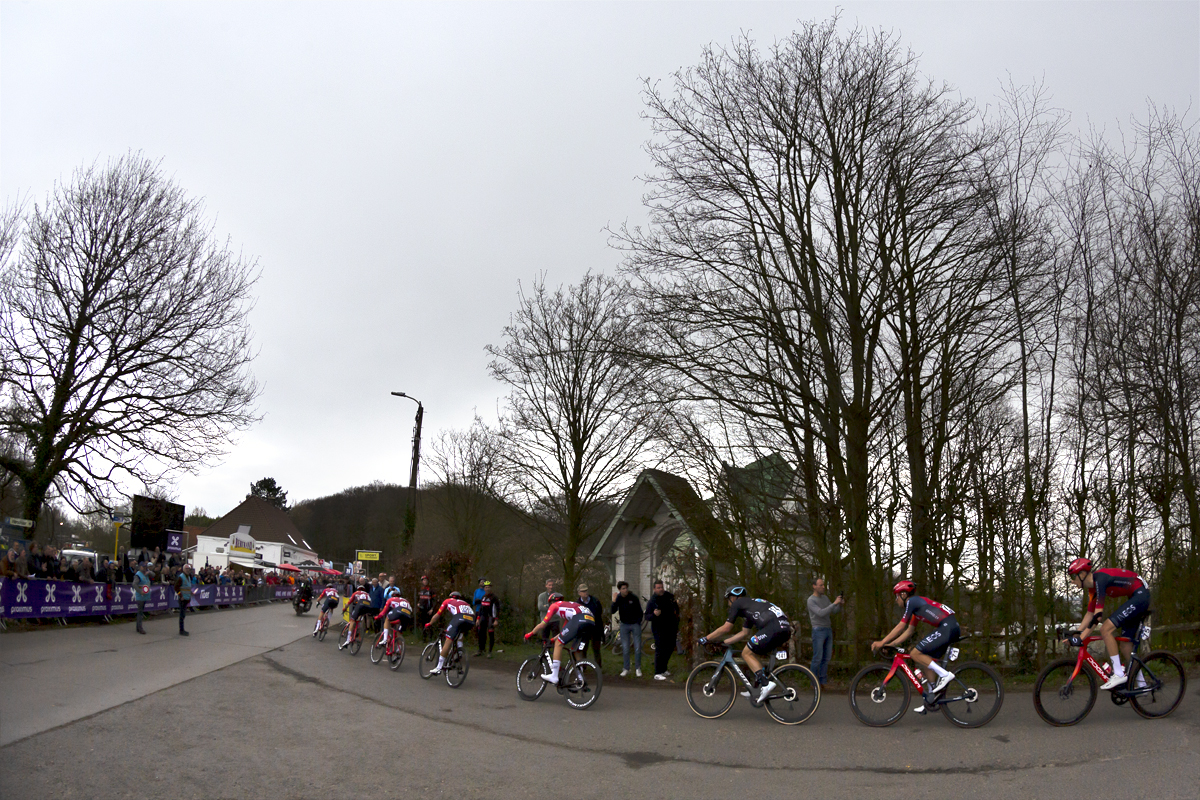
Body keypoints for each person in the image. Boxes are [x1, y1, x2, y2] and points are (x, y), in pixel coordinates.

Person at [1061, 558, 1151, 691]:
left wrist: (1081, 638)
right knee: (1125, 645)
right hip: (1135, 597)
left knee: (1105, 629)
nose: (1072, 581)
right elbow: (1090, 614)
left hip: (1140, 595)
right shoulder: (1092, 589)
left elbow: (1097, 616)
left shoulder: (1100, 580)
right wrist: (1076, 632)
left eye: (1074, 576)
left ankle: (1119, 674)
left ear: (1082, 574)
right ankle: (1142, 685)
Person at [872, 580, 960, 711]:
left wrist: (882, 642)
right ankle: (932, 697)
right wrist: (891, 644)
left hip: (947, 627)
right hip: (950, 627)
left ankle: (944, 675)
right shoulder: (916, 609)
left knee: (914, 653)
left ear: (903, 594)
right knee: (925, 658)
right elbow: (908, 631)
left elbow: (901, 626)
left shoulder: (912, 602)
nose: (896, 600)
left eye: (896, 596)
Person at [699, 587, 793, 704]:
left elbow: (727, 627)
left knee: (746, 653)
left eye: (728, 600)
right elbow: (744, 632)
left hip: (773, 627)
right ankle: (757, 689)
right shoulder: (751, 608)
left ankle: (765, 684)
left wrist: (706, 638)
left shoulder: (738, 603)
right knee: (752, 653)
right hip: (784, 629)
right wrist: (725, 642)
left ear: (733, 597)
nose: (729, 604)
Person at [523, 591, 597, 685]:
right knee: (576, 651)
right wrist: (552, 640)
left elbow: (543, 624)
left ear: (551, 602)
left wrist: (529, 634)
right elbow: (564, 632)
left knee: (559, 643)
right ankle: (580, 678)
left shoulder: (554, 605)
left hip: (579, 618)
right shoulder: (568, 608)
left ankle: (554, 675)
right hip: (590, 621)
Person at [424, 591, 476, 675]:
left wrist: (429, 623)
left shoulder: (447, 601)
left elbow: (437, 615)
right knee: (460, 633)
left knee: (448, 640)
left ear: (451, 596)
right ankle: (459, 652)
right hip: (471, 619)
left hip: (459, 617)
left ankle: (438, 667)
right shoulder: (465, 603)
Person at [807, 577, 843, 687]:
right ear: (814, 586)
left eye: (823, 585)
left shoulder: (825, 598)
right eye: (821, 585)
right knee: (817, 658)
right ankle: (814, 683)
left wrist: (839, 604)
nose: (823, 587)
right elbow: (821, 613)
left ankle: (822, 682)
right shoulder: (811, 600)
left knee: (826, 658)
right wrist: (834, 603)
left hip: (828, 629)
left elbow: (833, 611)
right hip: (818, 630)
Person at [644, 580, 679, 680]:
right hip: (659, 629)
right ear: (654, 589)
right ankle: (657, 672)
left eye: (661, 587)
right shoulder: (652, 601)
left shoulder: (669, 597)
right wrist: (654, 615)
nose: (661, 589)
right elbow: (647, 616)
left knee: (670, 647)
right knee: (660, 649)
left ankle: (664, 669)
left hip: (671, 627)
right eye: (658, 588)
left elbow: (676, 608)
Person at [611, 581, 644, 677]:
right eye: (623, 589)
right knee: (625, 648)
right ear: (619, 590)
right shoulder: (619, 598)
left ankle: (638, 668)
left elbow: (640, 611)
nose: (625, 590)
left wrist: (638, 622)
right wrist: (613, 601)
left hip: (635, 624)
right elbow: (613, 610)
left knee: (637, 648)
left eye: (626, 588)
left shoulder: (633, 598)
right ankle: (626, 668)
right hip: (624, 625)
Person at [339, 580, 373, 650]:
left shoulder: (356, 593)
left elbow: (349, 602)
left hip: (360, 604)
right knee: (360, 617)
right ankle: (358, 629)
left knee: (352, 620)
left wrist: (344, 609)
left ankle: (348, 639)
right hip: (369, 606)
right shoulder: (367, 594)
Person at [576, 583, 604, 669]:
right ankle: (583, 667)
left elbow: (599, 613)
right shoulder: (577, 603)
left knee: (596, 649)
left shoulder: (595, 601)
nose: (585, 593)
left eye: (586, 590)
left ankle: (598, 668)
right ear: (579, 592)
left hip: (595, 628)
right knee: (583, 648)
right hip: (584, 630)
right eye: (583, 591)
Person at [475, 580, 500, 657]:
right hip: (483, 617)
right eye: (486, 587)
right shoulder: (483, 597)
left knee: (490, 634)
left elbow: (497, 609)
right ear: (484, 588)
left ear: (491, 588)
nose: (487, 589)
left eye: (488, 587)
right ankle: (481, 650)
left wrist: (496, 619)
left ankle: (490, 652)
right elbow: (481, 609)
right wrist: (478, 618)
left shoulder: (494, 597)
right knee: (481, 633)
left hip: (490, 618)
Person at [174, 564, 195, 636]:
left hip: (187, 598)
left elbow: (187, 587)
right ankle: (181, 630)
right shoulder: (181, 577)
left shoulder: (188, 577)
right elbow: (176, 587)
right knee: (182, 614)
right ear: (183, 569)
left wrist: (190, 592)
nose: (188, 570)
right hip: (183, 598)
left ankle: (182, 629)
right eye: (186, 568)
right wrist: (180, 595)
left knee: (183, 614)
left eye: (189, 569)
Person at [133, 561, 152, 634]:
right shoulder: (138, 575)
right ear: (140, 567)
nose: (145, 568)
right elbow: (134, 584)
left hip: (145, 595)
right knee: (140, 612)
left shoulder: (146, 573)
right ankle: (139, 627)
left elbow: (153, 574)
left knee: (141, 612)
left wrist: (149, 572)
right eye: (143, 567)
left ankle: (138, 627)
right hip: (141, 595)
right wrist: (140, 591)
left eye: (145, 567)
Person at [417, 576, 436, 640]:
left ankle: (430, 637)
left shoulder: (430, 589)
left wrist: (432, 609)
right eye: (423, 580)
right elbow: (418, 597)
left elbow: (434, 600)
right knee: (422, 623)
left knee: (429, 623)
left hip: (429, 609)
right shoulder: (420, 589)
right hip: (422, 609)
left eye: (426, 580)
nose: (425, 582)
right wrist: (418, 603)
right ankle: (423, 638)